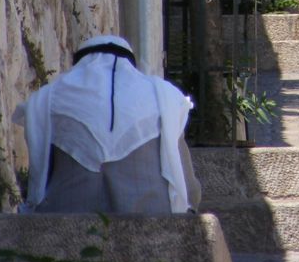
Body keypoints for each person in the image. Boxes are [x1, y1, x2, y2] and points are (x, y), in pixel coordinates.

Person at [13, 34, 202, 214]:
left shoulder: (50, 98)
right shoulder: (165, 98)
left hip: (67, 220)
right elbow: (189, 188)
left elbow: (39, 177)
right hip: (156, 223)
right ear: (130, 64)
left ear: (79, 64)